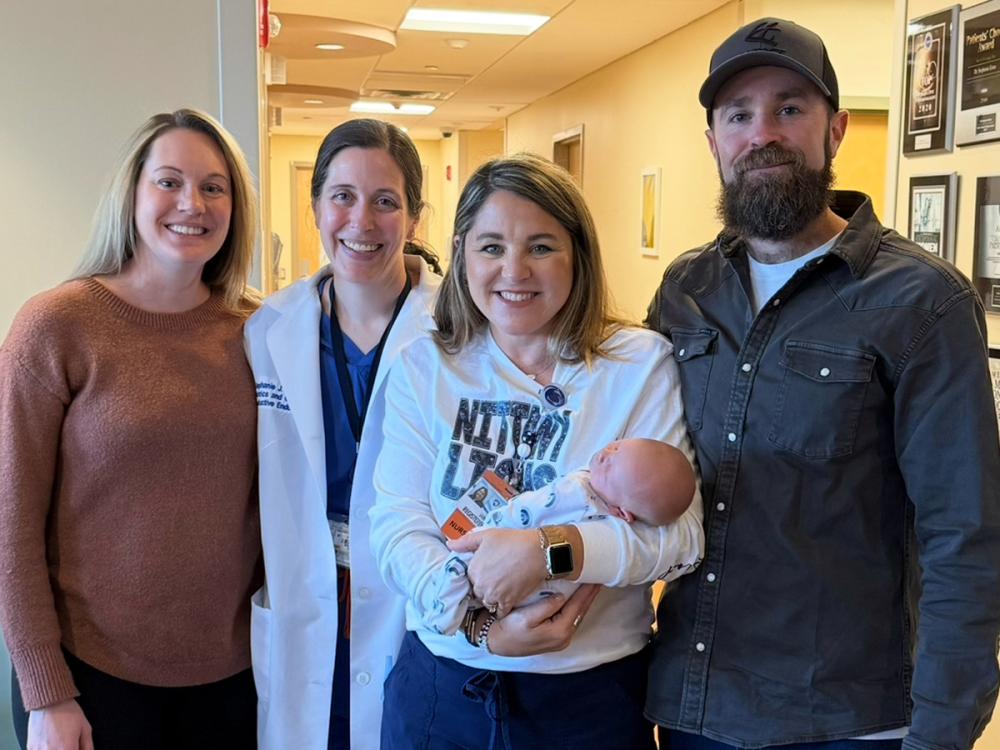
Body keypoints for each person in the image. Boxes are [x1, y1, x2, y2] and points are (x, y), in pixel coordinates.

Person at [645, 17, 1000, 750]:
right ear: (713, 142)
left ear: (834, 130)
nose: (762, 132)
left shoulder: (923, 302)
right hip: (694, 709)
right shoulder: (687, 289)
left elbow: (965, 538)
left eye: (790, 108)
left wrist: (941, 733)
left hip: (844, 722)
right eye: (738, 114)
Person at [370, 153, 704, 749]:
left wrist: (553, 553)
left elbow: (679, 542)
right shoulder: (426, 366)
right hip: (443, 691)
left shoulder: (638, 365)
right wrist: (480, 628)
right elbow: (396, 524)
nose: (514, 270)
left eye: (542, 246)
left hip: (587, 704)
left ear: (578, 254)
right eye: (491, 246)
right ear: (463, 253)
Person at [0, 108, 261, 750]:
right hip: (89, 682)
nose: (191, 204)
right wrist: (46, 693)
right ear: (133, 193)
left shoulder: (264, 331)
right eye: (168, 181)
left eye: (213, 186)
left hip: (235, 677)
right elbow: (11, 522)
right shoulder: (56, 326)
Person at [245, 118, 442, 750]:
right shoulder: (268, 330)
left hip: (413, 593)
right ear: (315, 208)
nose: (362, 221)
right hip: (308, 598)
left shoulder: (460, 331)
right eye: (342, 197)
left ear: (414, 217)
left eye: (386, 201)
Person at [423, 437, 696, 634]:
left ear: (623, 513)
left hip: (563, 640)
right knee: (461, 569)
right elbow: (400, 518)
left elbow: (687, 548)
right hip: (453, 644)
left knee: (461, 567)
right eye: (617, 445)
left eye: (614, 465)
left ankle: (447, 613)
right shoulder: (586, 482)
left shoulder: (581, 498)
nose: (607, 453)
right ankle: (451, 613)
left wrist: (542, 551)